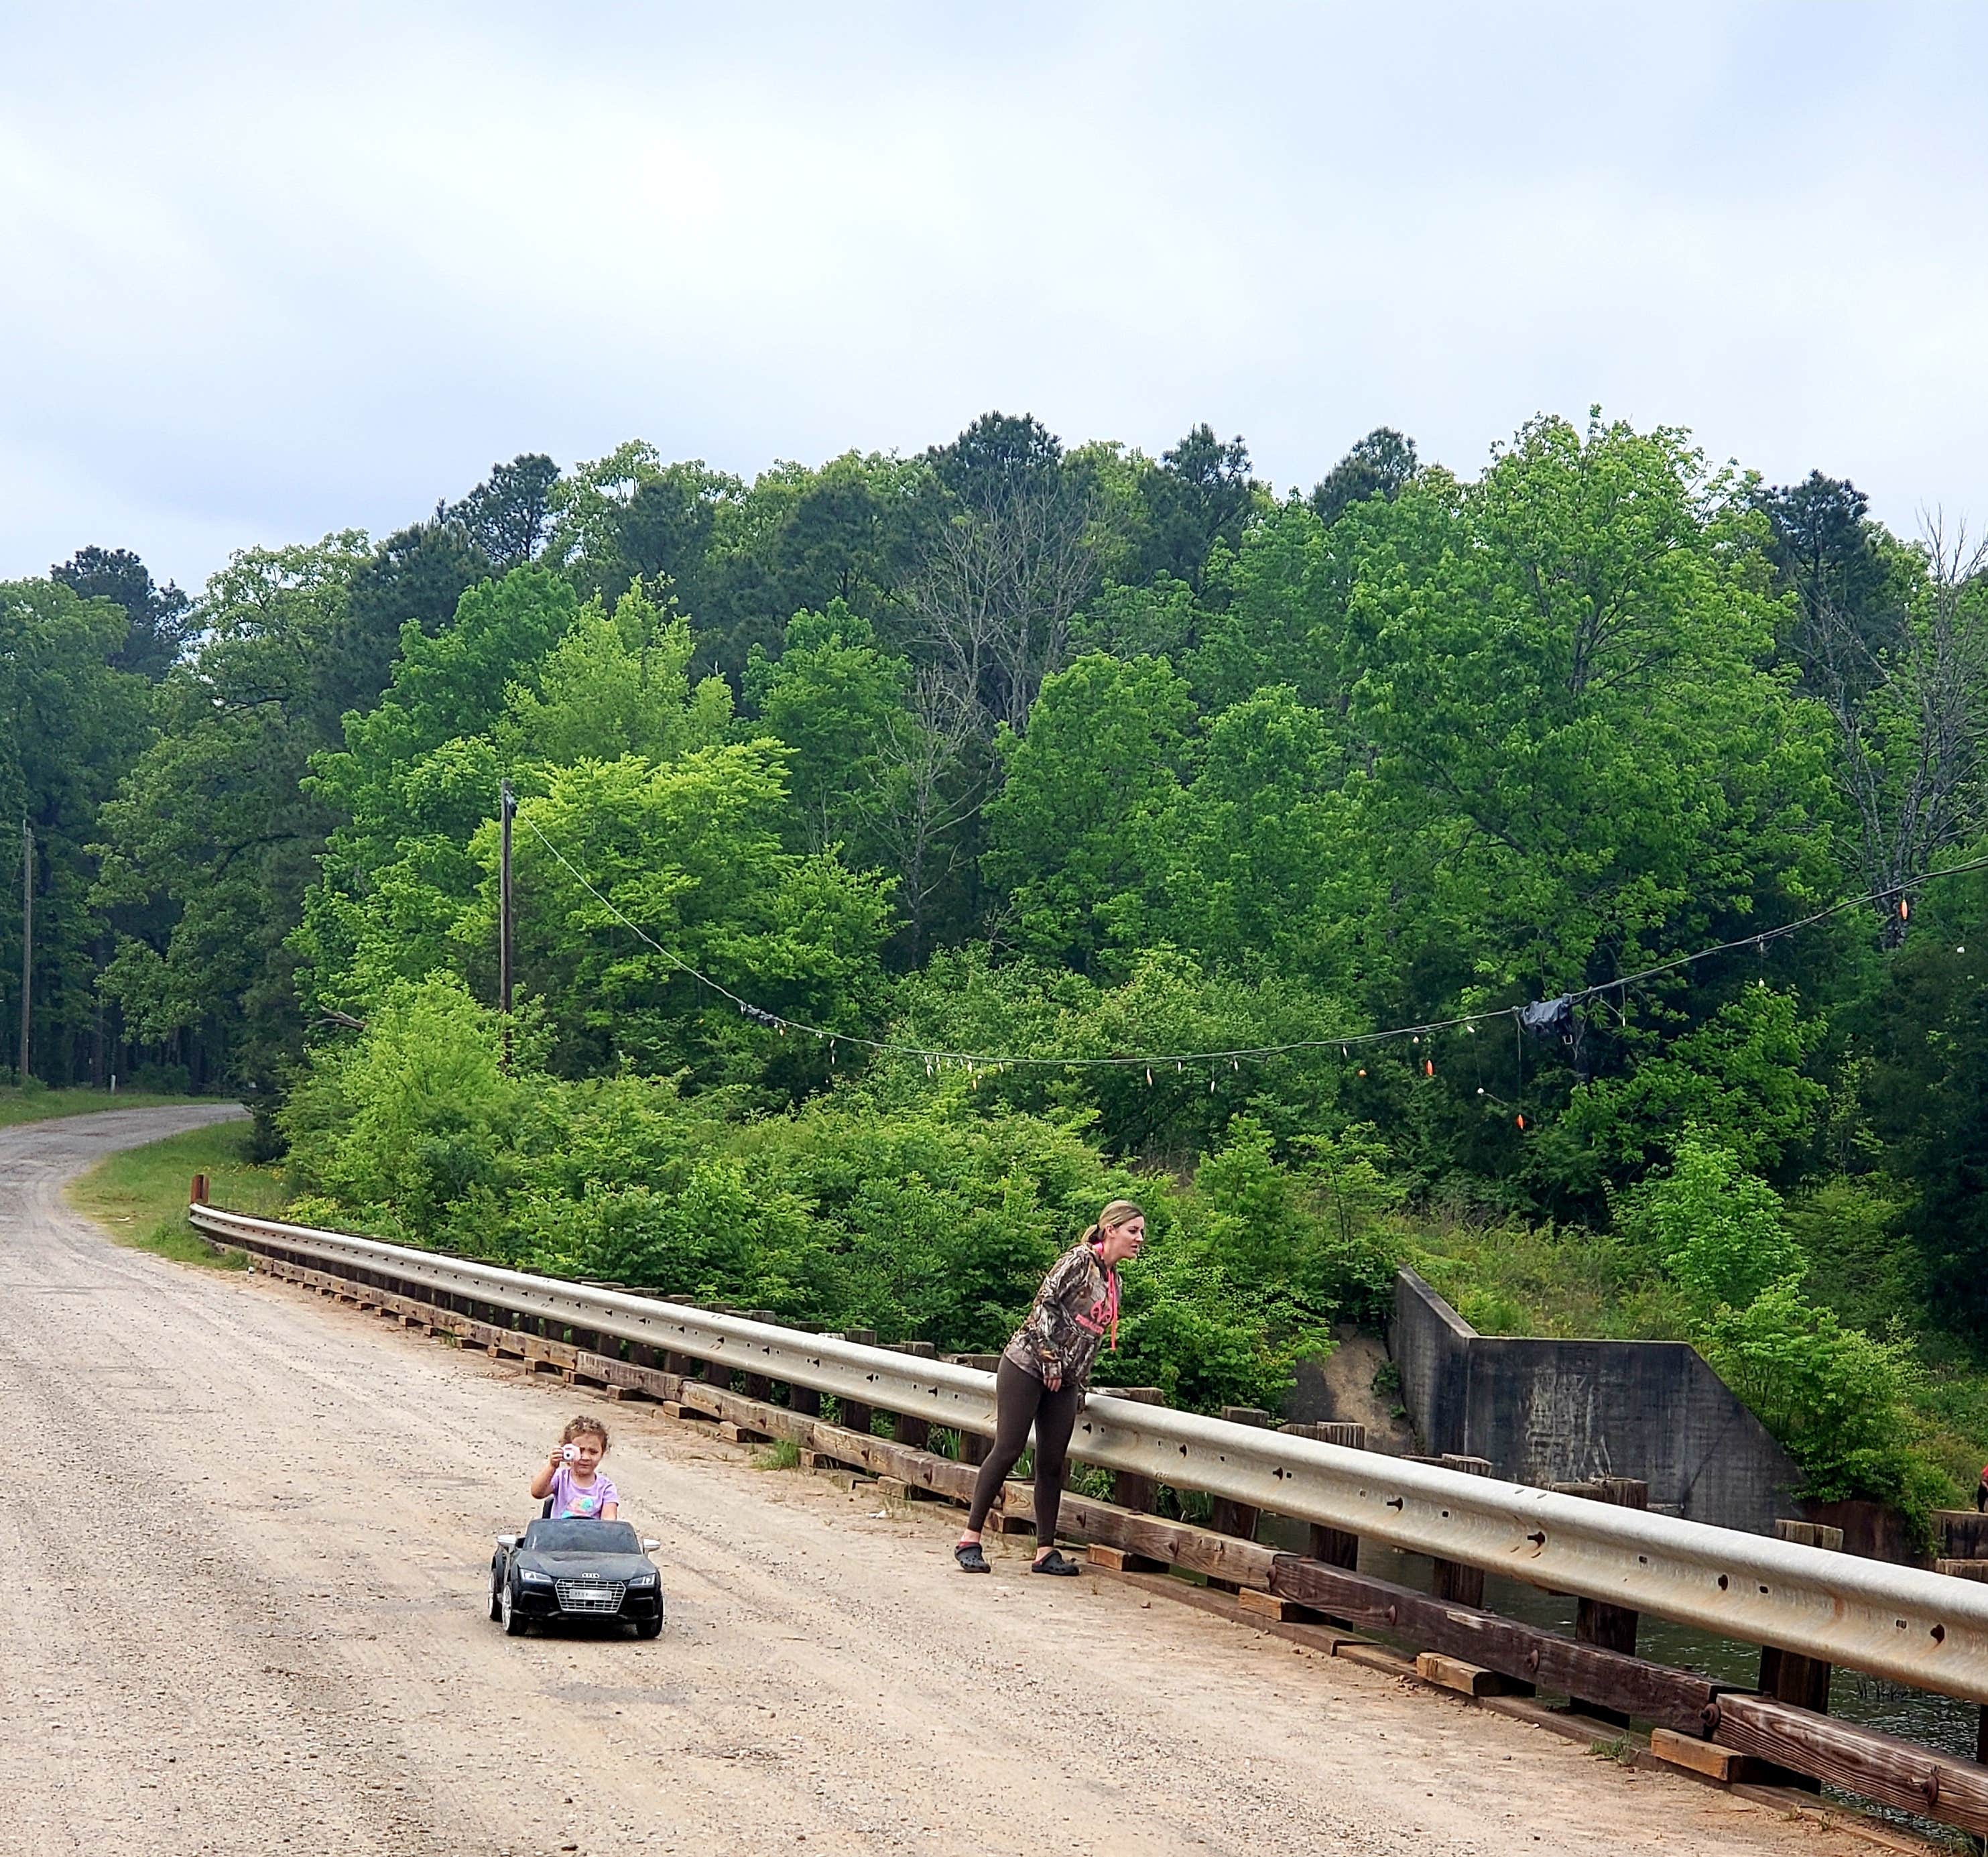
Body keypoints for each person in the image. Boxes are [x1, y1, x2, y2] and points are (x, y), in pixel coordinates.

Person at [954, 1199, 1145, 1575]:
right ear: (1111, 1230)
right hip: (1028, 1365)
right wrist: (1050, 1359)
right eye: (1133, 1231)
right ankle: (969, 1539)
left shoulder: (1113, 1279)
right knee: (1008, 1448)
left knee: (1053, 1462)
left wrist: (1078, 1381)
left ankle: (1045, 1551)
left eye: (1141, 1233)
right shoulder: (1078, 1260)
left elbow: (1089, 1335)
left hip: (1066, 1380)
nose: (1140, 1239)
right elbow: (1045, 1306)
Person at [530, 1415, 620, 1520]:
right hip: (559, 1534)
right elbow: (537, 1493)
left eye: (593, 1452)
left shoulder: (606, 1487)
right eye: (579, 1451)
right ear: (567, 1450)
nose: (586, 1458)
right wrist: (551, 1467)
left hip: (591, 1535)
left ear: (602, 1454)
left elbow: (609, 1521)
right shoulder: (560, 1478)